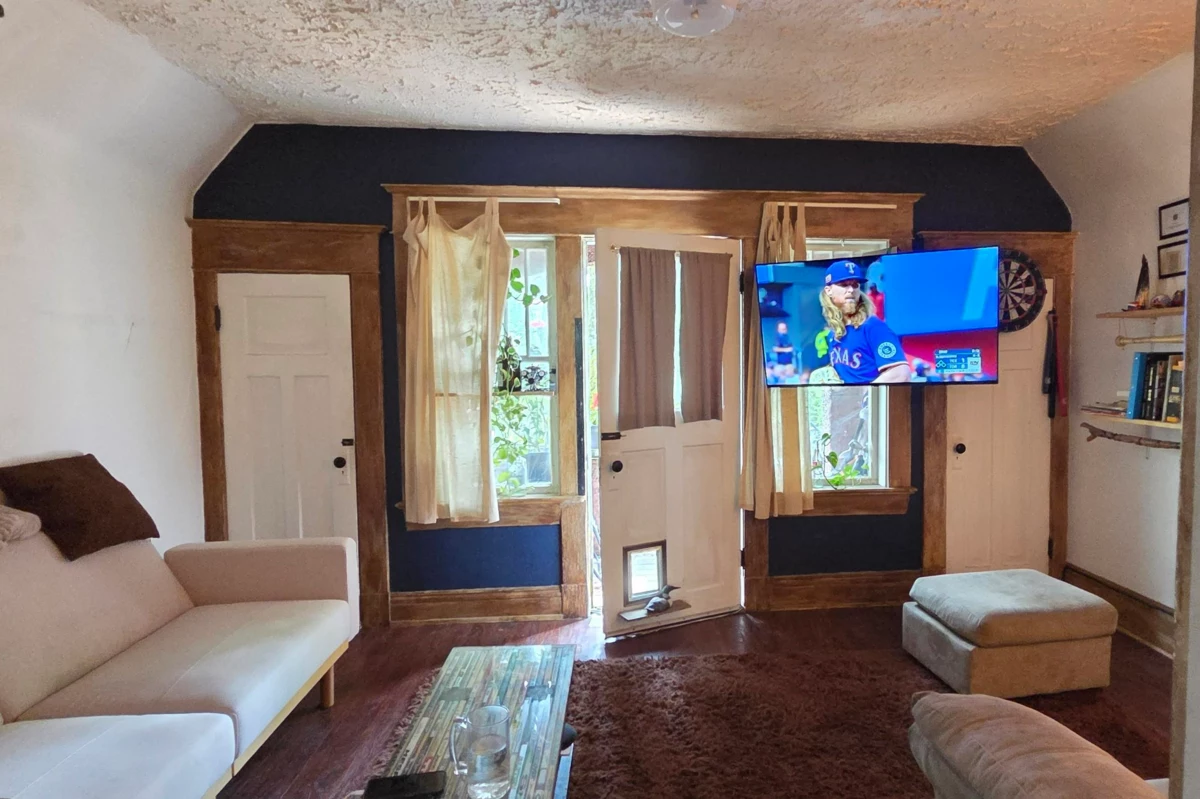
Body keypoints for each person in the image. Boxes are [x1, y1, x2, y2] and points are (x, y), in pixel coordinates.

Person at [819, 260, 912, 384]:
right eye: (844, 284)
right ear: (828, 290)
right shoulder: (834, 333)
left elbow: (900, 373)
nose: (851, 290)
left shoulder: (873, 328)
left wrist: (864, 394)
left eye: (855, 285)